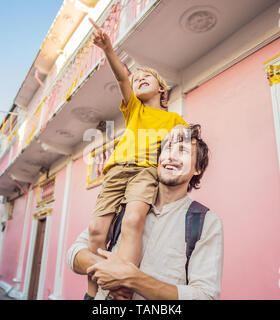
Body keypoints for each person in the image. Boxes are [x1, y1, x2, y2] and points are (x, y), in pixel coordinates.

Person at [85, 18, 188, 298]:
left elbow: (181, 149)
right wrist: (108, 49)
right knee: (96, 230)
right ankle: (92, 293)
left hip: (146, 173)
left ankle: (122, 288)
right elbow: (121, 76)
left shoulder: (175, 119)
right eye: (136, 77)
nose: (139, 78)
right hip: (117, 170)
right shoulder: (134, 109)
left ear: (162, 90)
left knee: (133, 222)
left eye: (147, 77)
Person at [67, 124, 224, 300]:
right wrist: (110, 270)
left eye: (183, 151)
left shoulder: (206, 222)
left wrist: (133, 279)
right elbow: (75, 252)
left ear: (198, 169)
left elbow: (205, 296)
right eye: (168, 149)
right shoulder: (128, 203)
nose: (171, 156)